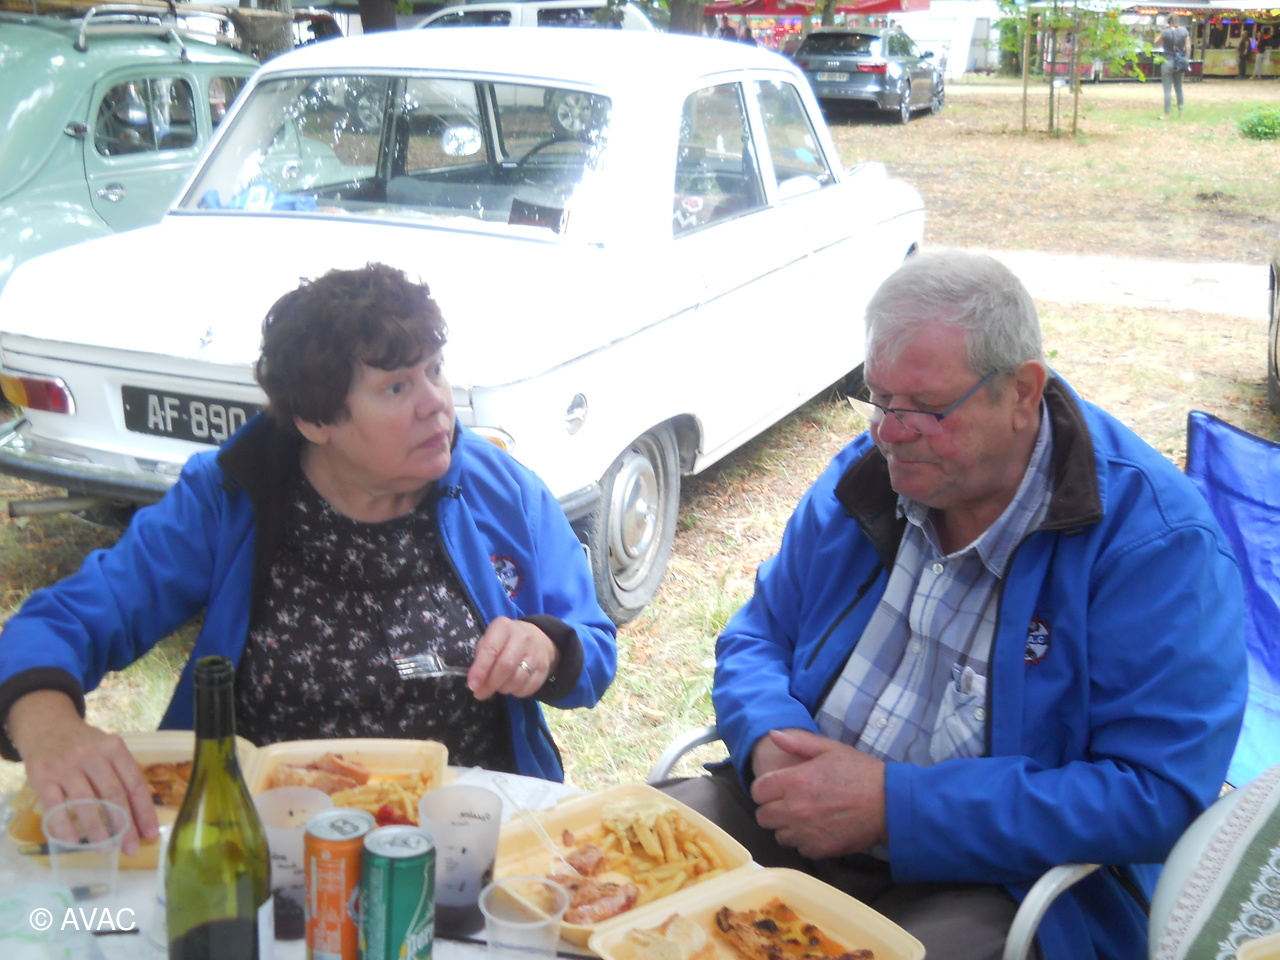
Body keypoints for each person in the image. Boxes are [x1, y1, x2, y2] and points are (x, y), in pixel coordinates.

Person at [662, 249, 1247, 960]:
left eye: (926, 408)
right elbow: (758, 633)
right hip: (790, 815)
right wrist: (769, 739)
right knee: (605, 868)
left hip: (994, 878)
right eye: (879, 398)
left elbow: (1156, 793)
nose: (890, 432)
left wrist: (895, 808)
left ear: (1022, 392)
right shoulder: (869, 476)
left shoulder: (1153, 545)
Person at [0, 263, 618, 855]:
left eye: (435, 369)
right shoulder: (232, 496)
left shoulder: (500, 491)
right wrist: (49, 727)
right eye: (396, 386)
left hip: (471, 843)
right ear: (316, 420)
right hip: (268, 843)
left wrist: (547, 648)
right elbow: (67, 620)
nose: (435, 402)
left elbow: (592, 642)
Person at [1156, 13, 1191, 117]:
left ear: (1168, 20)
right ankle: (1180, 112)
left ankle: (1167, 113)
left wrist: (1163, 29)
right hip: (1180, 61)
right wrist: (1186, 59)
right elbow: (1188, 47)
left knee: (1167, 89)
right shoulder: (1184, 31)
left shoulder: (1166, 32)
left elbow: (1156, 42)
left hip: (1168, 60)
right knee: (1179, 88)